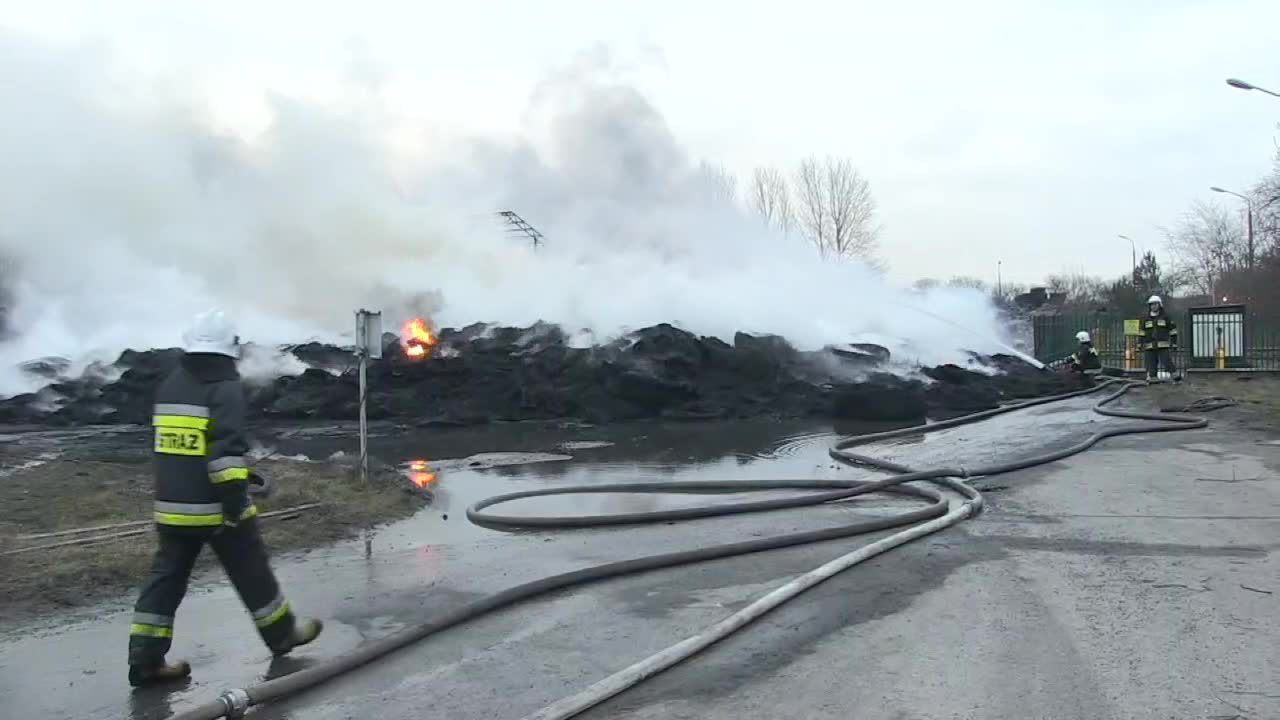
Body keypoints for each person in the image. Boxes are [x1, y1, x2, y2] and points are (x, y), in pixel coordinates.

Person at [128, 309, 322, 687]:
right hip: (214, 507)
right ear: (228, 349)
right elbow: (224, 457)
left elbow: (183, 448)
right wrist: (235, 504)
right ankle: (282, 635)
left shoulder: (171, 384)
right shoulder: (225, 387)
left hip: (171, 506)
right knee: (252, 569)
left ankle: (145, 660)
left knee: (165, 580)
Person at [1139, 295, 1179, 381]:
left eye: (1155, 304)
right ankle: (1153, 378)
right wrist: (1140, 343)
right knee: (1151, 363)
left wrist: (1174, 342)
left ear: (1159, 305)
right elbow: (1142, 332)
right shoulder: (1145, 318)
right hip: (1149, 345)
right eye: (1151, 304)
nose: (1153, 306)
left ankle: (1174, 375)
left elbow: (1173, 331)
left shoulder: (1166, 317)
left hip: (1162, 345)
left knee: (1166, 361)